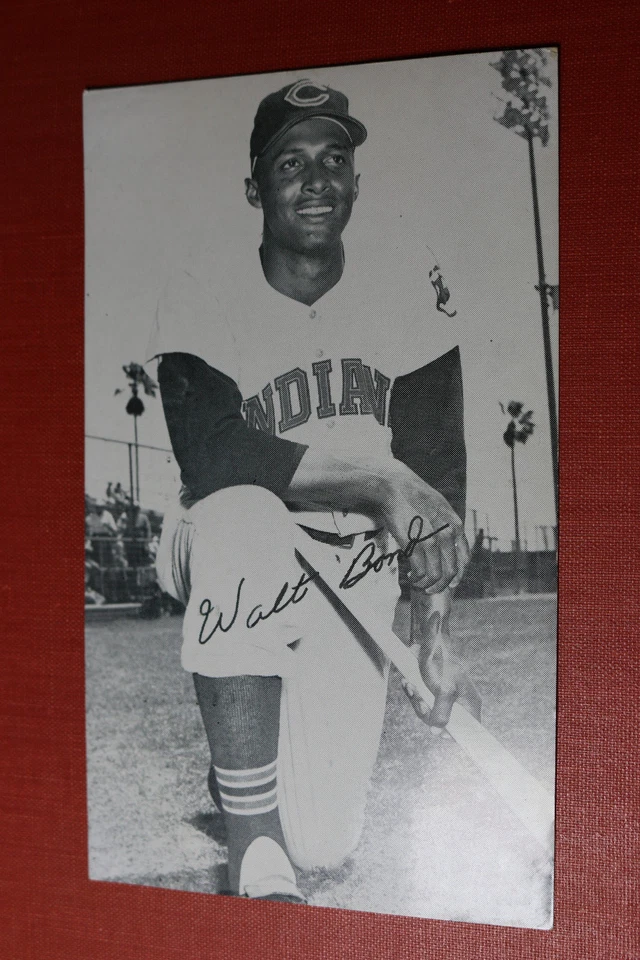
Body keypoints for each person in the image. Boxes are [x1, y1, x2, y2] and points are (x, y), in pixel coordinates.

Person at [148, 79, 478, 903]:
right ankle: (251, 847)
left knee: (326, 843)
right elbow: (213, 452)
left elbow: (436, 466)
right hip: (226, 536)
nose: (318, 179)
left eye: (336, 159)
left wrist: (433, 627)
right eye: (290, 162)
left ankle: (243, 767)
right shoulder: (199, 282)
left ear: (357, 182)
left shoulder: (408, 279)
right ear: (255, 186)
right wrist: (378, 478)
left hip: (351, 566)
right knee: (244, 517)